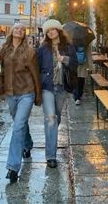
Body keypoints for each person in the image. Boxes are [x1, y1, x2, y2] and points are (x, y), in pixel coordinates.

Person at [0, 23, 41, 183]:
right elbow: (0, 70)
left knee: (17, 127)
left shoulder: (30, 52)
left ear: (24, 34)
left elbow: (35, 74)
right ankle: (27, 144)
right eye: (17, 28)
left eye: (22, 29)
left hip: (26, 93)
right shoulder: (4, 51)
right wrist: (0, 86)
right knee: (20, 124)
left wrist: (37, 95)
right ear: (11, 31)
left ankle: (13, 167)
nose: (19, 30)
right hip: (10, 93)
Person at [37, 19, 78, 168]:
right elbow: (37, 67)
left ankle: (51, 130)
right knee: (51, 119)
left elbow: (75, 64)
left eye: (52, 29)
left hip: (61, 88)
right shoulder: (42, 49)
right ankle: (51, 156)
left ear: (58, 30)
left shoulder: (68, 46)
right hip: (47, 87)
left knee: (56, 119)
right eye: (48, 31)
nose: (50, 32)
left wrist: (64, 59)